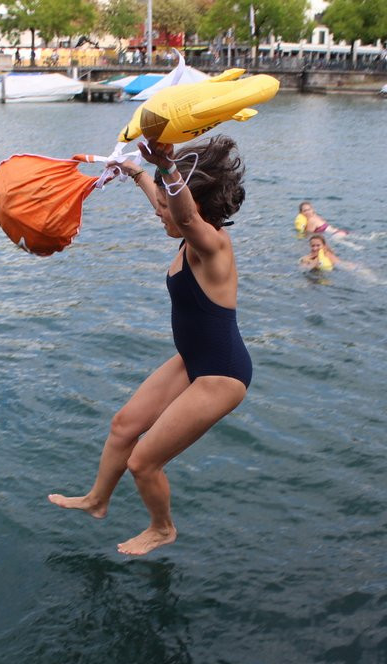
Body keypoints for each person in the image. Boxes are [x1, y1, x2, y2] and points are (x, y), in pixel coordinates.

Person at [48, 135, 252, 556]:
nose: (160, 213)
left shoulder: (213, 246)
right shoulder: (184, 233)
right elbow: (171, 207)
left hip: (222, 374)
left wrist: (170, 170)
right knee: (124, 424)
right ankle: (98, 500)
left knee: (143, 462)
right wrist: (140, 172)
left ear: (193, 207)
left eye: (169, 204)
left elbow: (184, 213)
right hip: (192, 360)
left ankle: (162, 528)